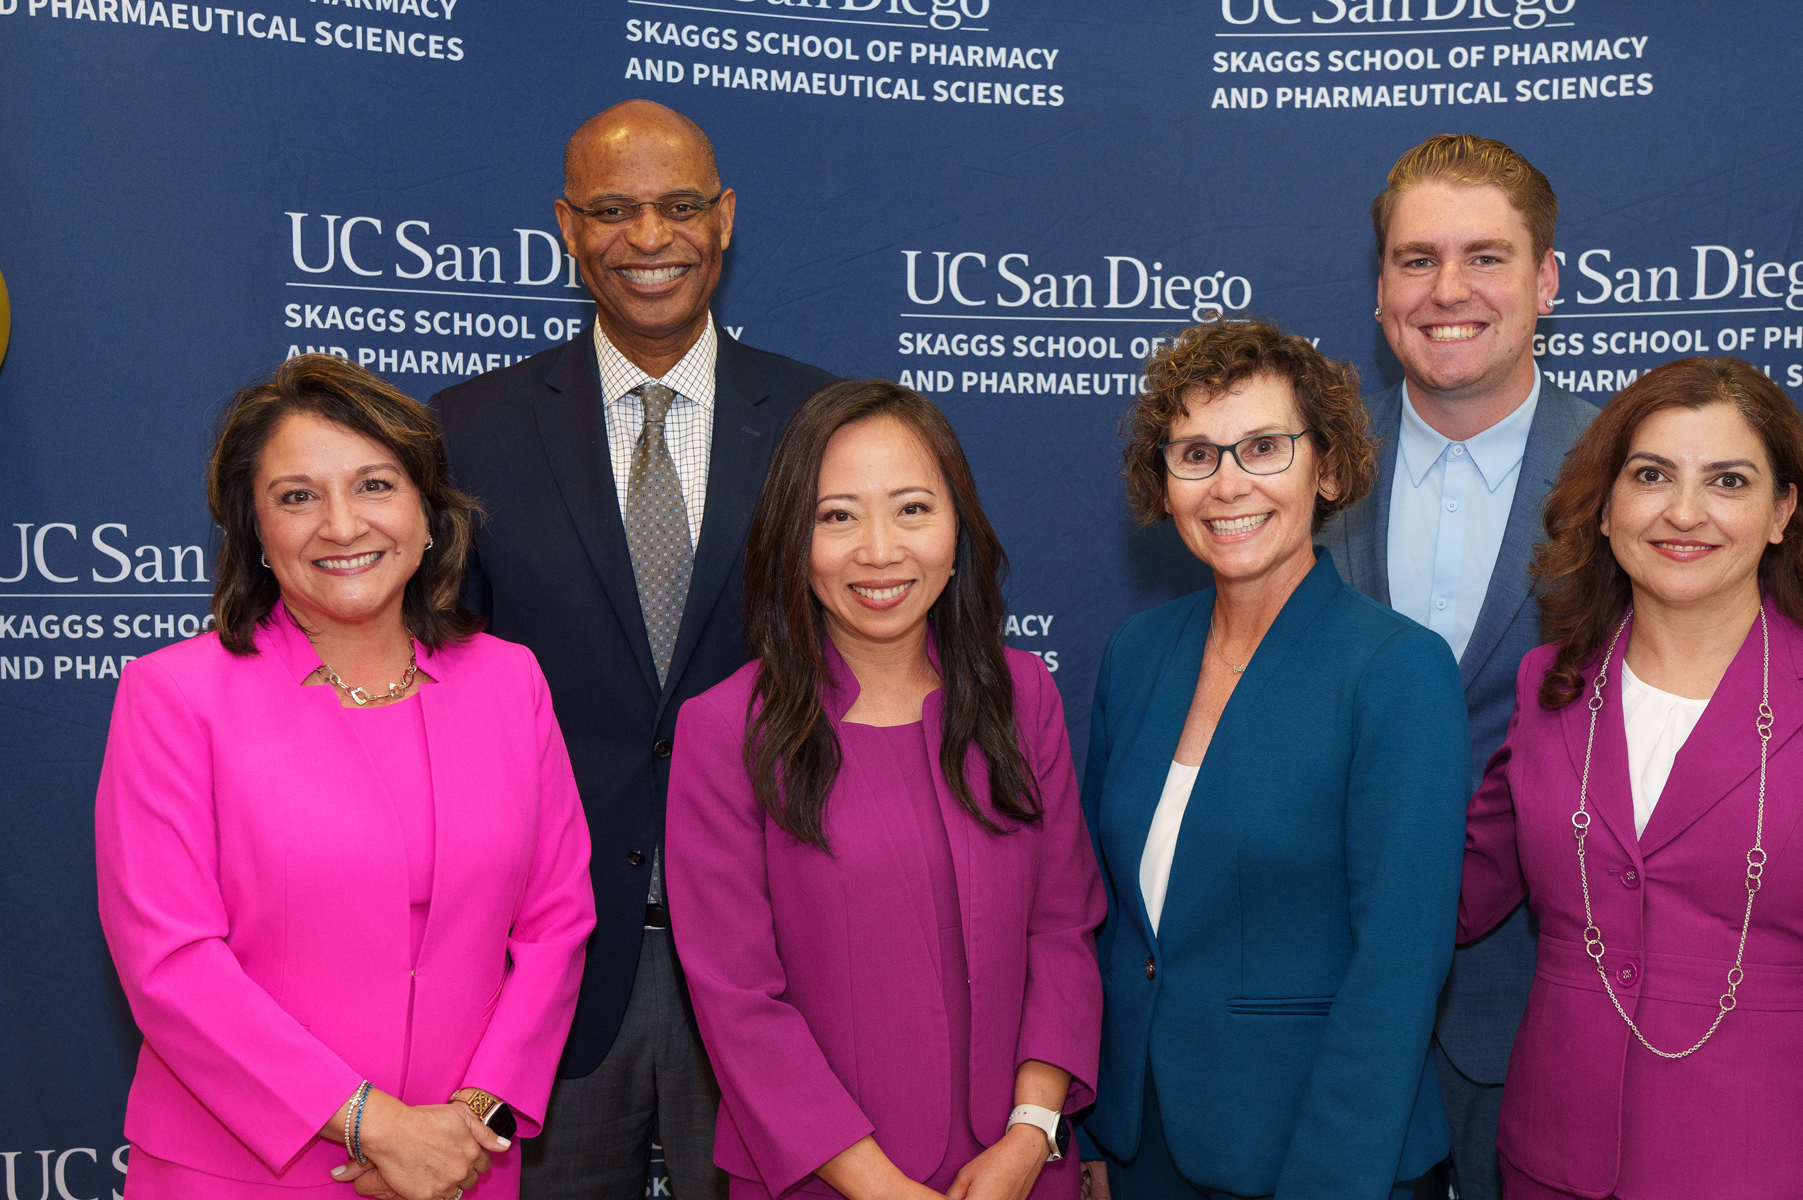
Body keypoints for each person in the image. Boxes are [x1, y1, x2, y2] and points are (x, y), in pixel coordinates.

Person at [430, 100, 836, 1199]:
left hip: (777, 963)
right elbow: (434, 699)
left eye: (679, 206)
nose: (648, 237)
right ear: (568, 225)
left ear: (727, 218)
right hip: (544, 977)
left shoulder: (827, 425)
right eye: (613, 209)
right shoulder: (465, 431)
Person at [95, 354, 596, 1199]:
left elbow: (557, 920)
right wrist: (375, 1123)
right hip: (242, 1167)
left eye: (374, 485)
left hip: (460, 1162)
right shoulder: (175, 696)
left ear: (426, 512)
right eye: (297, 497)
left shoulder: (511, 681)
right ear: (253, 530)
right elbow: (171, 961)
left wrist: (474, 1120)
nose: (341, 524)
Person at [1458, 357, 1803, 1199]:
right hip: (1550, 1166)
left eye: (1727, 481)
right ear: (1606, 505)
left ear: (1782, 513)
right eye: (1651, 476)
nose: (1683, 512)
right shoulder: (1553, 684)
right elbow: (1453, 895)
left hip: (1762, 1169)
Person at [665, 380, 1104, 1199]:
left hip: (1015, 1171)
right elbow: (737, 1000)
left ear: (956, 526)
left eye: (911, 509)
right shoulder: (725, 729)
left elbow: (1064, 931)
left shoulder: (1023, 697)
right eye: (837, 516)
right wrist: (875, 1184)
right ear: (793, 539)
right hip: (819, 1177)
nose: (879, 550)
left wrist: (1030, 1132)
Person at [1079, 319, 1472, 1199]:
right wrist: (1097, 1127)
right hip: (1142, 1144)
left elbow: (1398, 968)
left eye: (1263, 447)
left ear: (1327, 468)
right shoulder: (1138, 653)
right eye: (1195, 455)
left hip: (1317, 1152)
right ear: (1163, 482)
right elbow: (1107, 914)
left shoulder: (1395, 671)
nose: (1228, 485)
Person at [1314, 133, 1597, 1200]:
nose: (1448, 291)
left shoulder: (1639, 481)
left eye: (1485, 256)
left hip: (1538, 1018)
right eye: (1416, 259)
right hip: (1323, 1013)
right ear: (1382, 285)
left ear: (1546, 280)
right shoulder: (1304, 475)